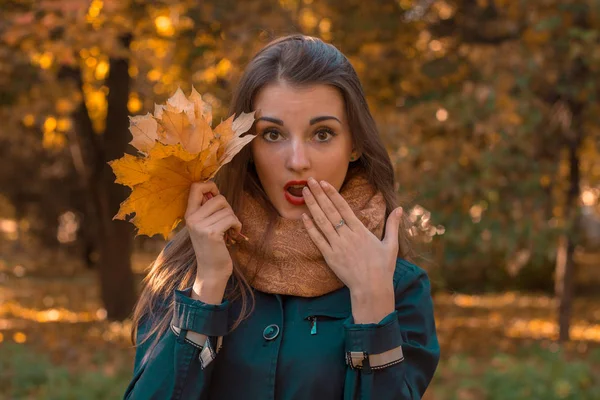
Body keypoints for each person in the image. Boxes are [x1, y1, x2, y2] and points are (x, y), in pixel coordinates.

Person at [124, 34, 440, 400]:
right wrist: (207, 285)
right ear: (245, 145)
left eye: (322, 134)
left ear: (354, 144)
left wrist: (372, 301)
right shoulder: (188, 265)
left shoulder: (400, 286)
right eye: (272, 134)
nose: (297, 161)